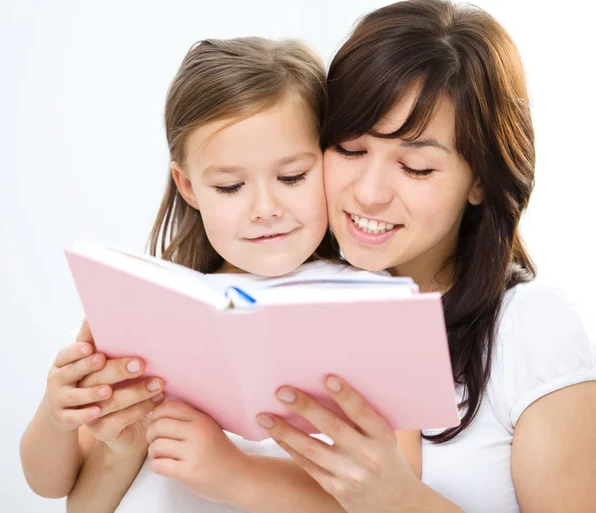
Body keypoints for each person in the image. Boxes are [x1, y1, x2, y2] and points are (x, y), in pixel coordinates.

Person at [19, 37, 421, 513]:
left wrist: (228, 470)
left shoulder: (376, 307)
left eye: (292, 177)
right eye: (230, 186)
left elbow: (396, 490)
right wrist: (56, 411)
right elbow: (53, 487)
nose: (266, 209)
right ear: (188, 186)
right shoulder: (152, 305)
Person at [254, 1, 596, 512]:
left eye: (414, 167)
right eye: (349, 149)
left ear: (479, 180)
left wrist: (396, 499)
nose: (369, 193)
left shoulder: (531, 332)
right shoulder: (280, 296)